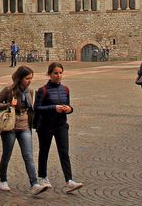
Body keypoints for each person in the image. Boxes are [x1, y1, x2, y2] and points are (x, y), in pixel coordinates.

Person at [0, 66, 49, 195]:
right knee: (7, 154)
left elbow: (30, 109)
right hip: (9, 126)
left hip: (24, 127)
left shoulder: (30, 91)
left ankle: (34, 184)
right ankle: (3, 180)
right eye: (27, 78)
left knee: (28, 156)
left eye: (31, 78)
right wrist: (8, 105)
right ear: (20, 78)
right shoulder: (8, 90)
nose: (29, 81)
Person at [33, 63, 83, 193]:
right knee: (44, 151)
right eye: (55, 73)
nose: (58, 75)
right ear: (49, 74)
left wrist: (69, 109)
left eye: (60, 73)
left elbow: (69, 105)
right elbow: (37, 108)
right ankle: (42, 177)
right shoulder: (42, 90)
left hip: (61, 125)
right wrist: (53, 108)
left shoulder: (65, 89)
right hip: (45, 126)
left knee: (64, 152)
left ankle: (69, 180)